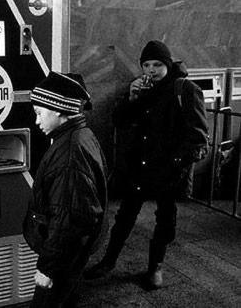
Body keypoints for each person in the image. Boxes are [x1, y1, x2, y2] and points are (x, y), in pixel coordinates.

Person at [84, 40, 209, 288]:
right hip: (138, 167)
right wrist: (132, 97)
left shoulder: (184, 89)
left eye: (157, 65)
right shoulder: (143, 88)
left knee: (165, 219)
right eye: (146, 65)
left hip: (169, 170)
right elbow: (119, 121)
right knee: (125, 216)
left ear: (168, 64)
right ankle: (109, 261)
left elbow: (199, 138)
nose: (151, 70)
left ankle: (155, 268)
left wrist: (175, 163)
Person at [23, 71, 108, 307]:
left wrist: (47, 269)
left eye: (40, 113)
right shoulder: (82, 134)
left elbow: (67, 220)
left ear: (59, 109)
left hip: (63, 255)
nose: (37, 121)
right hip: (74, 251)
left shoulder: (69, 155)